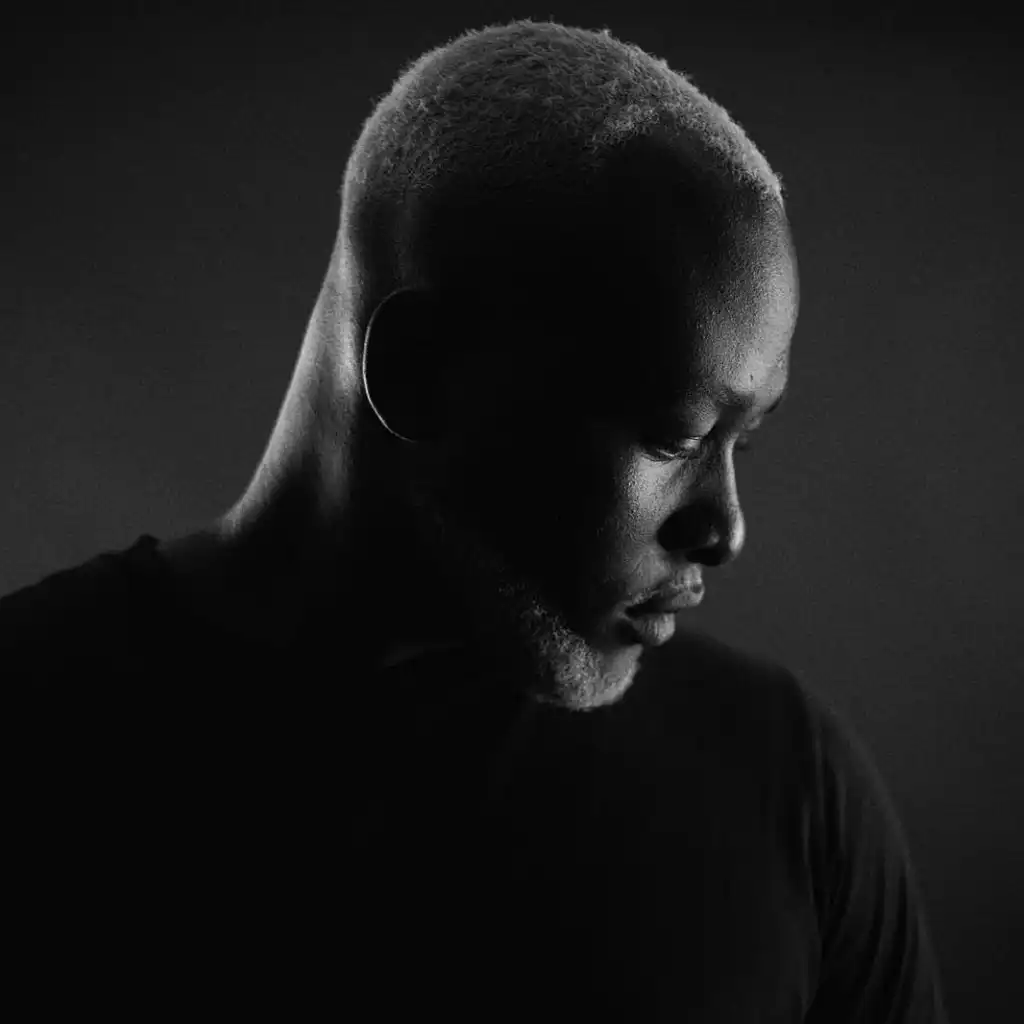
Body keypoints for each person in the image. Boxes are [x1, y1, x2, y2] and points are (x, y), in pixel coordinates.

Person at [4, 18, 949, 1022]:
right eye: (675, 436)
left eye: (741, 440)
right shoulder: (29, 740)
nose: (724, 530)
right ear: (420, 373)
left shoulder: (786, 785)